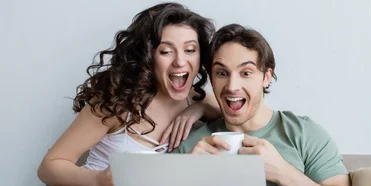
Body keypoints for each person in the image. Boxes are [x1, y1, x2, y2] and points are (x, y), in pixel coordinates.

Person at [37, 2, 220, 186]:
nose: (180, 61)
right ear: (148, 55)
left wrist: (199, 107)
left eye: (190, 50)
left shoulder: (194, 97)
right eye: (166, 51)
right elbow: (48, 167)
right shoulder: (118, 100)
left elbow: (238, 113)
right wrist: (99, 180)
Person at [172, 24, 351, 186]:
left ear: (266, 77)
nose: (232, 86)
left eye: (246, 73)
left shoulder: (305, 135)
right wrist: (190, 174)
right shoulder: (192, 147)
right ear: (211, 78)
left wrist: (283, 173)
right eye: (222, 73)